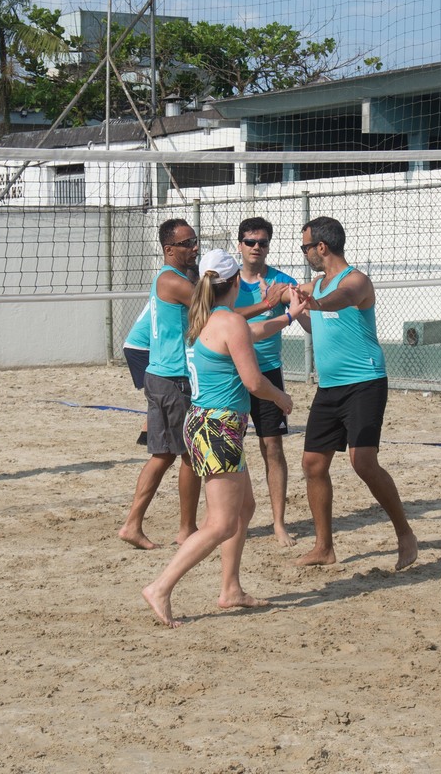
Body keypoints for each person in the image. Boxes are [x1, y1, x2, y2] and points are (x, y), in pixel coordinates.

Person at [142, 248, 303, 628]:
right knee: (220, 524)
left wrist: (287, 317)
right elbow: (254, 381)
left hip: (205, 422)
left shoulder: (205, 318)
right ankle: (160, 587)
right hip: (218, 427)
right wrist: (281, 398)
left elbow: (251, 333)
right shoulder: (229, 321)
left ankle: (231, 589)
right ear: (233, 285)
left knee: (243, 509)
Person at [294, 216, 418, 570]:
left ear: (321, 247)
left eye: (305, 247)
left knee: (362, 461)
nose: (304, 253)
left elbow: (343, 299)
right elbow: (317, 325)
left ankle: (405, 534)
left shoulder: (356, 281)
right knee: (313, 464)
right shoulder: (316, 286)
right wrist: (292, 306)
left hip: (365, 382)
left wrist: (313, 301)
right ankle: (324, 548)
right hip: (329, 387)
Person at [118, 218, 202, 550]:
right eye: (187, 243)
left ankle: (132, 524)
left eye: (195, 240)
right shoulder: (172, 281)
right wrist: (269, 306)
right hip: (172, 378)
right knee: (189, 455)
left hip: (161, 375)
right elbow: (216, 310)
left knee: (162, 455)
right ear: (169, 249)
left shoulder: (172, 278)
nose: (195, 247)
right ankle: (187, 529)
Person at [230, 216, 300, 547]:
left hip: (268, 370)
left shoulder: (282, 282)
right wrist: (266, 304)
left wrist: (294, 300)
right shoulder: (227, 282)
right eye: (250, 242)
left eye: (262, 242)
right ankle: (231, 519)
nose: (256, 247)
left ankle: (278, 523)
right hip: (231, 372)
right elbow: (218, 317)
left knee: (272, 446)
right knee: (230, 447)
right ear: (239, 245)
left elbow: (302, 313)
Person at [121, 303, 151, 446]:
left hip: (137, 346)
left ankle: (146, 434)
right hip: (142, 348)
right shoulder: (178, 292)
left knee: (158, 394)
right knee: (159, 393)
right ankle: (147, 434)